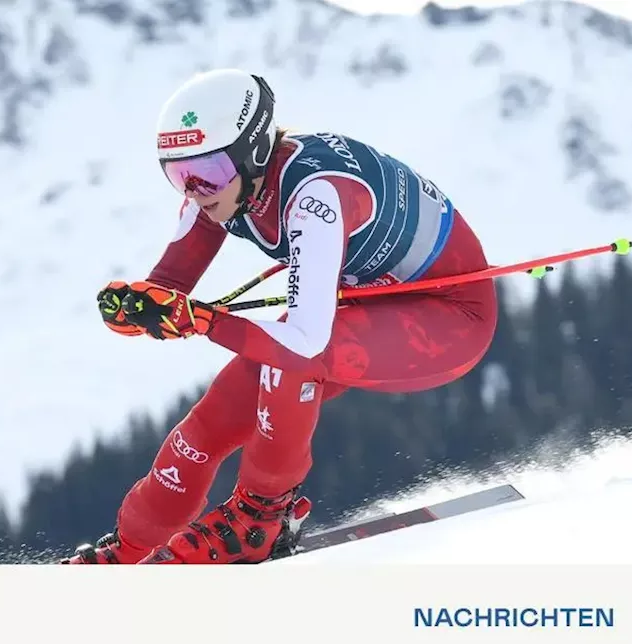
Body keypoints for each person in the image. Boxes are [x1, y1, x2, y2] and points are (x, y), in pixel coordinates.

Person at [60, 68, 498, 565]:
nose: (199, 189)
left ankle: (259, 519)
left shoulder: (316, 196)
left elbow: (305, 341)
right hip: (359, 310)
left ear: (255, 155)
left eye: (210, 171)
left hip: (446, 322)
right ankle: (129, 548)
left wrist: (203, 321)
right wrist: (141, 307)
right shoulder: (225, 188)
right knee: (211, 422)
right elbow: (169, 286)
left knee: (288, 363)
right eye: (179, 174)